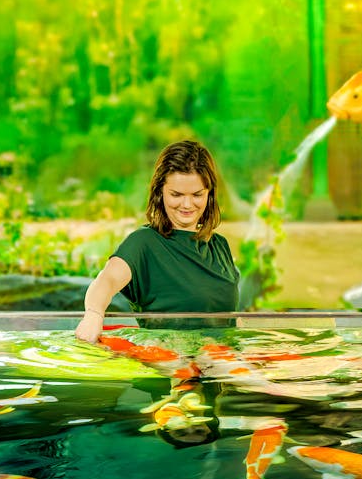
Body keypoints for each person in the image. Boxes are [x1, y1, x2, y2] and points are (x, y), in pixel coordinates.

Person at [75, 140, 240, 343]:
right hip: (173, 365)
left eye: (197, 194)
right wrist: (94, 314)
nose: (187, 204)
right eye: (176, 194)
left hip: (223, 361)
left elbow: (230, 320)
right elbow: (106, 281)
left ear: (210, 194)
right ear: (160, 193)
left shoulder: (219, 246)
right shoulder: (144, 243)